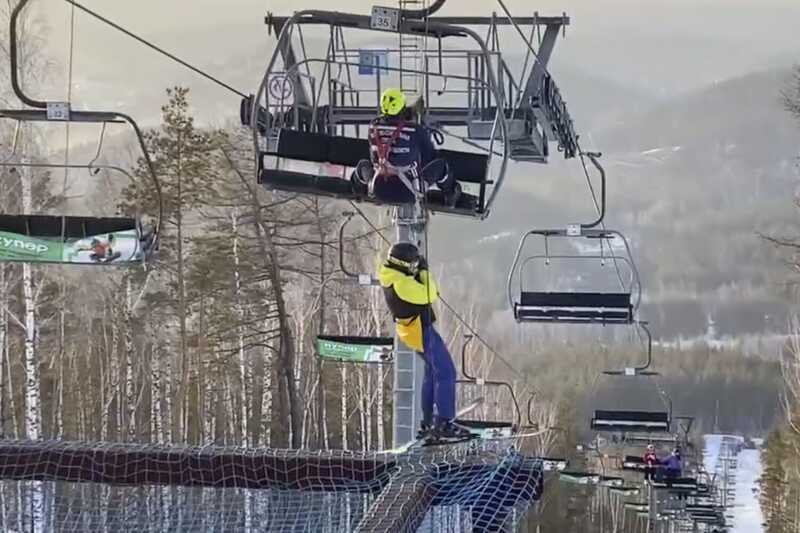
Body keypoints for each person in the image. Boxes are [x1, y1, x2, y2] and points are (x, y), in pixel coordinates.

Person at [378, 242, 470, 440]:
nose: (414, 267)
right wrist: (424, 272)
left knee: (433, 372)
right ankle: (444, 422)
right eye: (411, 264)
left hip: (411, 330)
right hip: (420, 330)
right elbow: (430, 293)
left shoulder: (390, 275)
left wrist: (417, 271)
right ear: (403, 264)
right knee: (446, 371)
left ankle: (428, 422)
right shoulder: (401, 284)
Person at [352, 88, 460, 207]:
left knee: (363, 165)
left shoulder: (373, 127)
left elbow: (373, 159)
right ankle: (451, 195)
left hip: (379, 189)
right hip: (408, 192)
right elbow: (429, 157)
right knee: (441, 166)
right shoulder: (415, 130)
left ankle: (357, 193)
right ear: (402, 108)